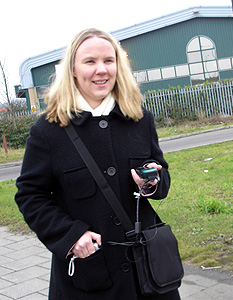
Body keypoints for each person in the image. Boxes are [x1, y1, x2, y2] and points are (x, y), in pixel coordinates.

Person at [15, 28, 180, 300]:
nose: (101, 70)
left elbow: (162, 180)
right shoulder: (49, 130)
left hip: (148, 277)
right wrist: (70, 236)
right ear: (73, 70)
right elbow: (30, 196)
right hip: (90, 277)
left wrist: (151, 182)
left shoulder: (139, 119)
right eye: (90, 62)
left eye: (108, 60)